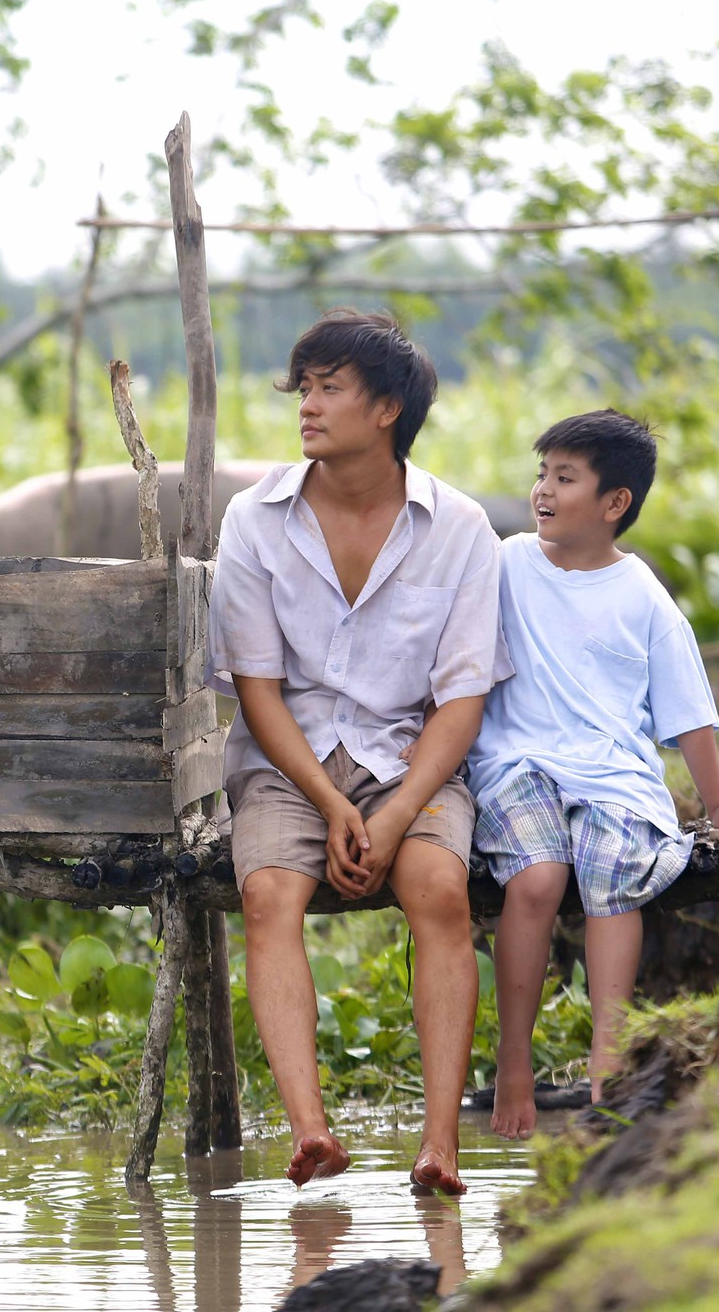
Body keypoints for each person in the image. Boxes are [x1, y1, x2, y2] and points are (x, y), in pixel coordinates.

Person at [206, 308, 510, 1195]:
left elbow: (463, 697)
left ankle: (440, 1143)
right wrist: (337, 806)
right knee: (267, 895)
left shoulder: (458, 529)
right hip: (286, 760)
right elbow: (257, 689)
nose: (308, 405)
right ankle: (312, 1131)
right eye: (304, 387)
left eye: (329, 387)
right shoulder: (255, 519)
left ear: (386, 408)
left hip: (411, 759)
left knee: (440, 890)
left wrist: (398, 808)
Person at [469, 409, 719, 1140]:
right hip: (517, 761)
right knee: (535, 877)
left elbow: (687, 709)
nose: (543, 490)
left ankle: (609, 1052)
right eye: (542, 473)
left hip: (613, 775)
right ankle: (513, 1060)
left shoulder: (643, 595)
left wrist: (716, 802)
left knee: (610, 877)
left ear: (614, 502)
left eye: (565, 477)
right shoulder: (506, 564)